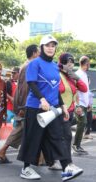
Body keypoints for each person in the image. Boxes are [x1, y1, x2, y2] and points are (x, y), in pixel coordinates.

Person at [17, 35, 83, 181]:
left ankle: (67, 168)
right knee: (33, 138)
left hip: (52, 109)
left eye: (53, 46)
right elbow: (32, 83)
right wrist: (42, 99)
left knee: (57, 136)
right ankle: (26, 168)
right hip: (36, 107)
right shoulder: (35, 64)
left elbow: (55, 90)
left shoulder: (54, 66)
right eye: (47, 45)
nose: (50, 48)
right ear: (42, 47)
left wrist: (62, 105)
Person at [0, 44, 39, 163]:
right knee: (21, 130)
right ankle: (3, 151)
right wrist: (23, 106)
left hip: (27, 104)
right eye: (39, 51)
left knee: (22, 130)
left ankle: (3, 152)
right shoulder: (29, 66)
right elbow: (24, 88)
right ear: (34, 53)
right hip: (26, 105)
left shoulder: (28, 65)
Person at [48, 53, 87, 170]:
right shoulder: (57, 74)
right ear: (61, 63)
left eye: (72, 62)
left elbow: (84, 89)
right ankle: (67, 164)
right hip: (57, 111)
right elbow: (56, 91)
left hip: (69, 112)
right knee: (65, 137)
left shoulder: (71, 77)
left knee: (62, 137)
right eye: (67, 62)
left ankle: (54, 161)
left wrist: (76, 77)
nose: (70, 65)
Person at [72, 56, 90, 153]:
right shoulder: (78, 74)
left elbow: (86, 91)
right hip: (79, 104)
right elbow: (75, 90)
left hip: (85, 103)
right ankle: (76, 145)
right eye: (88, 63)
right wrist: (77, 105)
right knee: (82, 122)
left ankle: (77, 145)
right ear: (86, 63)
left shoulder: (84, 74)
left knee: (80, 122)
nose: (89, 65)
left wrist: (89, 103)